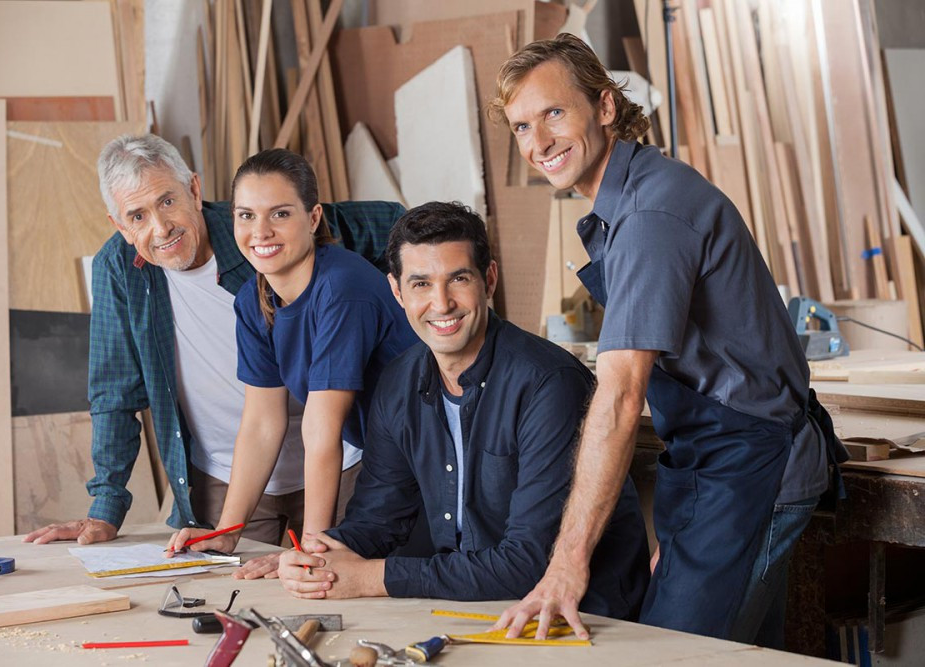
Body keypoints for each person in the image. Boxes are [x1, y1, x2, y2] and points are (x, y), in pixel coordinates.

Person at [489, 34, 847, 646]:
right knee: (739, 651)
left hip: (753, 465)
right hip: (712, 461)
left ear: (604, 107)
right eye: (522, 127)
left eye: (553, 113)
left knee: (675, 654)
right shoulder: (626, 201)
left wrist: (567, 561)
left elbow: (624, 393)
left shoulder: (650, 215)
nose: (539, 142)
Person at [24, 135, 405, 557]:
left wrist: (428, 294)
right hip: (235, 472)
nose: (161, 227)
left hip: (345, 458)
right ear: (119, 225)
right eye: (137, 215)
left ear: (194, 189)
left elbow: (390, 223)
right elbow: (115, 392)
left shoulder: (260, 236)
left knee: (339, 582)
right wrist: (108, 504)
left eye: (167, 202)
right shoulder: (230, 292)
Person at [275, 201, 649, 618]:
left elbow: (528, 563)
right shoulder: (399, 383)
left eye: (458, 278)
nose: (442, 303)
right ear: (397, 292)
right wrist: (318, 557)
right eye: (420, 284)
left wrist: (368, 578)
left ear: (489, 280)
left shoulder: (549, 384)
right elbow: (378, 520)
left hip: (581, 615)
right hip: (474, 606)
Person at [167, 150, 419, 576]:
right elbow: (263, 422)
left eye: (279, 213)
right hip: (389, 456)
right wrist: (226, 531)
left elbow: (322, 428)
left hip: (430, 456)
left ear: (314, 217)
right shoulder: (254, 298)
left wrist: (313, 549)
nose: (260, 231)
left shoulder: (342, 287)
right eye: (246, 215)